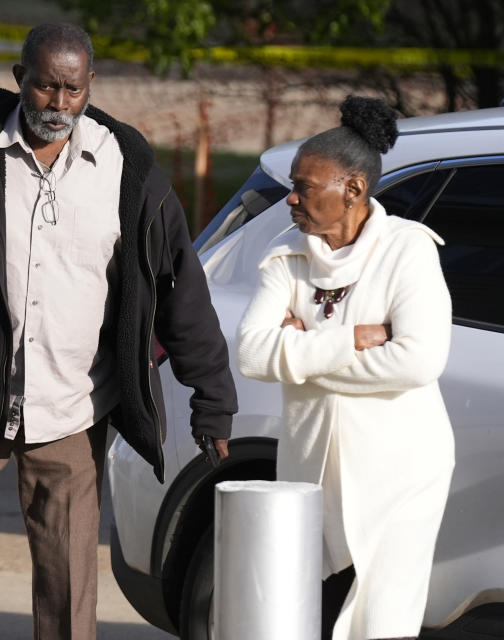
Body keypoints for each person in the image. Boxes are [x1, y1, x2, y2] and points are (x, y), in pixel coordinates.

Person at [0, 22, 237, 640]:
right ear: (19, 79)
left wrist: (212, 400)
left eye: (71, 90)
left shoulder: (128, 169)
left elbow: (180, 295)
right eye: (43, 88)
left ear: (90, 86)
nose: (57, 105)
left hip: (72, 406)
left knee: (66, 584)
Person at [237, 96, 454, 640]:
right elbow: (250, 353)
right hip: (309, 479)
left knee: (380, 621)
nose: (290, 198)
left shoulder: (408, 251)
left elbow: (419, 359)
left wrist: (304, 349)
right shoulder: (287, 253)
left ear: (352, 190)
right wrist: (353, 341)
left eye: (305, 187)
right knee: (301, 617)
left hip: (400, 478)